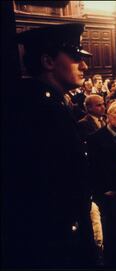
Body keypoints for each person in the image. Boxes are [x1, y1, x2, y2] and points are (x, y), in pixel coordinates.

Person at [4, 23, 96, 267]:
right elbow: (45, 187)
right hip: (55, 241)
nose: (85, 66)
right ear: (48, 61)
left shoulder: (51, 104)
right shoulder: (39, 110)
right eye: (76, 58)